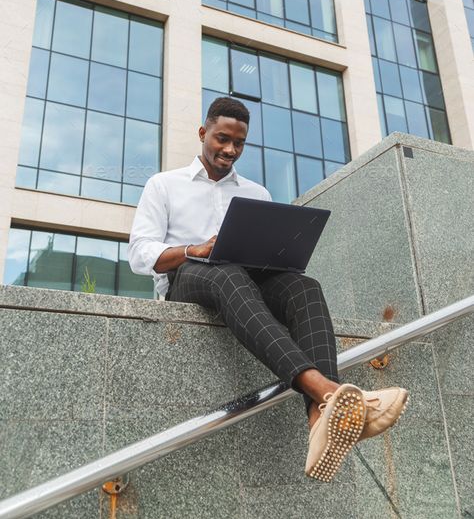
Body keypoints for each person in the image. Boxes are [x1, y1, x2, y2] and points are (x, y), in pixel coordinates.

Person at [128, 97, 408, 481]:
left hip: (245, 280)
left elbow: (272, 256)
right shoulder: (164, 185)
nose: (229, 150)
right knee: (227, 273)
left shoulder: (256, 193)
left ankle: (318, 421)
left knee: (303, 287)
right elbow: (141, 253)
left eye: (239, 143)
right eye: (222, 139)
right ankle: (327, 391)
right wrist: (195, 249)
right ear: (202, 133)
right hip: (187, 279)